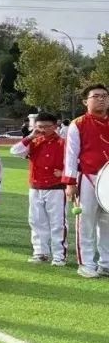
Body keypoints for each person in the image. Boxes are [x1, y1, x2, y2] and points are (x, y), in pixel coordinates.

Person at [63, 83, 109, 277]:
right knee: (86, 221)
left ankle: (105, 263)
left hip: (108, 179)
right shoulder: (78, 123)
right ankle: (86, 264)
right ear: (85, 101)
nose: (101, 99)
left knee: (107, 222)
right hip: (88, 177)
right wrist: (70, 182)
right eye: (96, 96)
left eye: (105, 96)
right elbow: (71, 154)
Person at [10, 112, 68, 266]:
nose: (43, 130)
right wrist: (30, 136)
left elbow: (75, 162)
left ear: (55, 126)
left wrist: (64, 173)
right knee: (36, 221)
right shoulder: (34, 142)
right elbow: (15, 151)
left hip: (56, 188)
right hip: (35, 187)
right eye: (39, 127)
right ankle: (40, 252)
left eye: (47, 127)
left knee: (57, 223)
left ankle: (59, 255)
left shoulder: (63, 143)